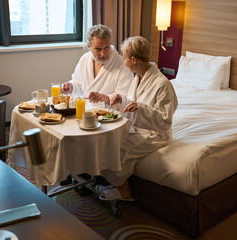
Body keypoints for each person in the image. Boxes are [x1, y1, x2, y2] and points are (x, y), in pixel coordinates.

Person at [96, 36, 178, 201]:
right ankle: (116, 183)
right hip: (137, 126)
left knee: (117, 149)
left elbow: (165, 120)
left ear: (133, 60)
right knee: (106, 140)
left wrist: (140, 108)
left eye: (125, 58)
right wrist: (122, 99)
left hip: (155, 134)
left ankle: (124, 191)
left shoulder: (162, 84)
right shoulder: (138, 77)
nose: (124, 62)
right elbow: (135, 102)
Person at [61, 24, 133, 104]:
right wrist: (71, 86)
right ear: (89, 46)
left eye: (106, 47)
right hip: (85, 110)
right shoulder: (84, 59)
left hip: (109, 114)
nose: (103, 54)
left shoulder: (122, 65)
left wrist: (106, 98)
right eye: (98, 49)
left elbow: (126, 97)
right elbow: (79, 83)